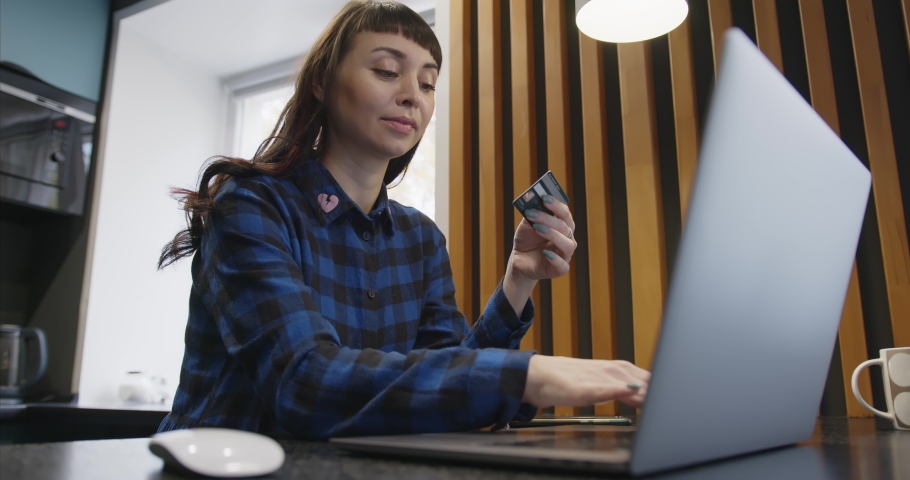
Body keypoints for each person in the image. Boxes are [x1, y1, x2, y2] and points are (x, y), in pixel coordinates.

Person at [156, 0, 649, 439]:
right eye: (388, 71)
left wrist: (517, 281)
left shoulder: (420, 238)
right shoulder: (250, 206)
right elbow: (302, 383)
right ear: (324, 81)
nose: (414, 94)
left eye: (428, 82)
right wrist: (526, 375)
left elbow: (443, 380)